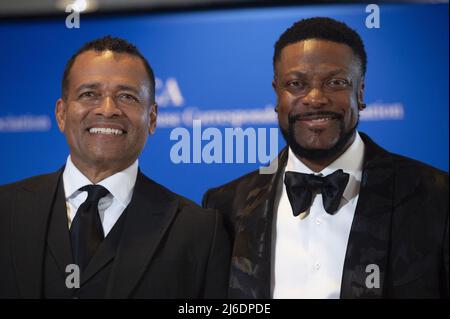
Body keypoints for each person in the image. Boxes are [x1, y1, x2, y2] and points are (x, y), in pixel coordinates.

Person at [203, 17, 448, 299]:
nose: (315, 98)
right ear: (277, 94)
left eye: (335, 82)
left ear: (361, 91)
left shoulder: (436, 198)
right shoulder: (226, 206)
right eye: (296, 84)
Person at [0, 36, 230, 299]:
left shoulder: (199, 231)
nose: (108, 110)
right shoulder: (5, 210)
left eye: (127, 97)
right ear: (62, 114)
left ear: (152, 118)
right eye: (89, 94)